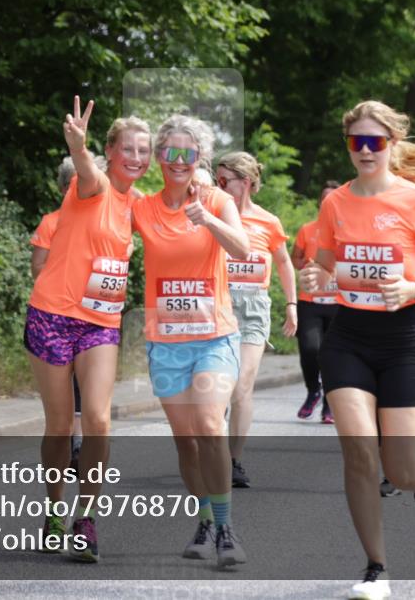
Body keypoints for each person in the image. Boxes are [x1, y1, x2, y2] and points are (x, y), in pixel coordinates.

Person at [299, 100, 415, 600]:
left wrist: (413, 290)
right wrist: (315, 276)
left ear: (391, 144)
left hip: (404, 339)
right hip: (349, 337)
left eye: (375, 141)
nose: (365, 150)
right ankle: (376, 568)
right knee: (358, 454)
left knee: (400, 469)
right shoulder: (336, 203)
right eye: (356, 142)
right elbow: (325, 265)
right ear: (348, 146)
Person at [25, 97, 151, 562]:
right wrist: (78, 147)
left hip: (100, 323)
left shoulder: (139, 205)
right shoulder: (91, 185)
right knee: (60, 424)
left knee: (97, 418)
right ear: (111, 151)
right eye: (128, 149)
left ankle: (86, 519)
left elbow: (178, 216)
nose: (135, 158)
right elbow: (86, 170)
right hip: (52, 317)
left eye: (144, 151)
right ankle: (54, 509)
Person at [131, 115, 251, 568]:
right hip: (166, 342)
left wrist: (208, 221)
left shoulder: (217, 200)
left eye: (188, 154)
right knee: (185, 442)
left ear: (198, 158)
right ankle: (204, 517)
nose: (179, 161)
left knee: (207, 424)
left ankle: (225, 528)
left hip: (214, 337)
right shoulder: (143, 208)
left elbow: (242, 249)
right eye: (170, 152)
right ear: (159, 157)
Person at [214, 151, 297, 489]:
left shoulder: (268, 221)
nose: (218, 187)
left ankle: (233, 460)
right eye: (215, 180)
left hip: (252, 309)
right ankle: (214, 452)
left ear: (245, 182)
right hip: (217, 307)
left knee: (242, 384)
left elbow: (284, 263)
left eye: (224, 181)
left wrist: (291, 304)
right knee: (219, 385)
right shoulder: (213, 216)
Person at [30, 156, 107, 470]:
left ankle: (82, 443)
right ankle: (73, 444)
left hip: (95, 318)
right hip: (56, 317)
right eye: (75, 182)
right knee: (64, 393)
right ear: (64, 188)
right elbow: (37, 267)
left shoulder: (105, 221)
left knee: (89, 391)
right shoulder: (52, 221)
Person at [291, 181, 340, 424]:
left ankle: (329, 406)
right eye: (324, 199)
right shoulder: (307, 230)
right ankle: (314, 390)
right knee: (310, 349)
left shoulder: (348, 230)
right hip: (310, 301)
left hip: (339, 304)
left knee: (333, 355)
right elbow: (295, 258)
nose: (327, 203)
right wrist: (307, 267)